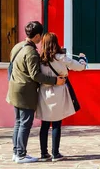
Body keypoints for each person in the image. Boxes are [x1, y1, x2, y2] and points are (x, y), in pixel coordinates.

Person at [7, 21, 66, 164]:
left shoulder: (17, 47)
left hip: (14, 89)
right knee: (25, 123)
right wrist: (55, 81)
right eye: (40, 37)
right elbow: (36, 75)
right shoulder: (31, 52)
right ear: (38, 36)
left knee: (18, 122)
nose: (41, 40)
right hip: (25, 92)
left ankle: (16, 152)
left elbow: (10, 67)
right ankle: (21, 154)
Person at [36, 32, 86, 162]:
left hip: (43, 92)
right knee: (57, 123)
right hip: (58, 92)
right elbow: (79, 67)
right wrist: (83, 59)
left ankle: (43, 153)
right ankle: (55, 153)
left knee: (45, 124)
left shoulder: (40, 59)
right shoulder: (61, 58)